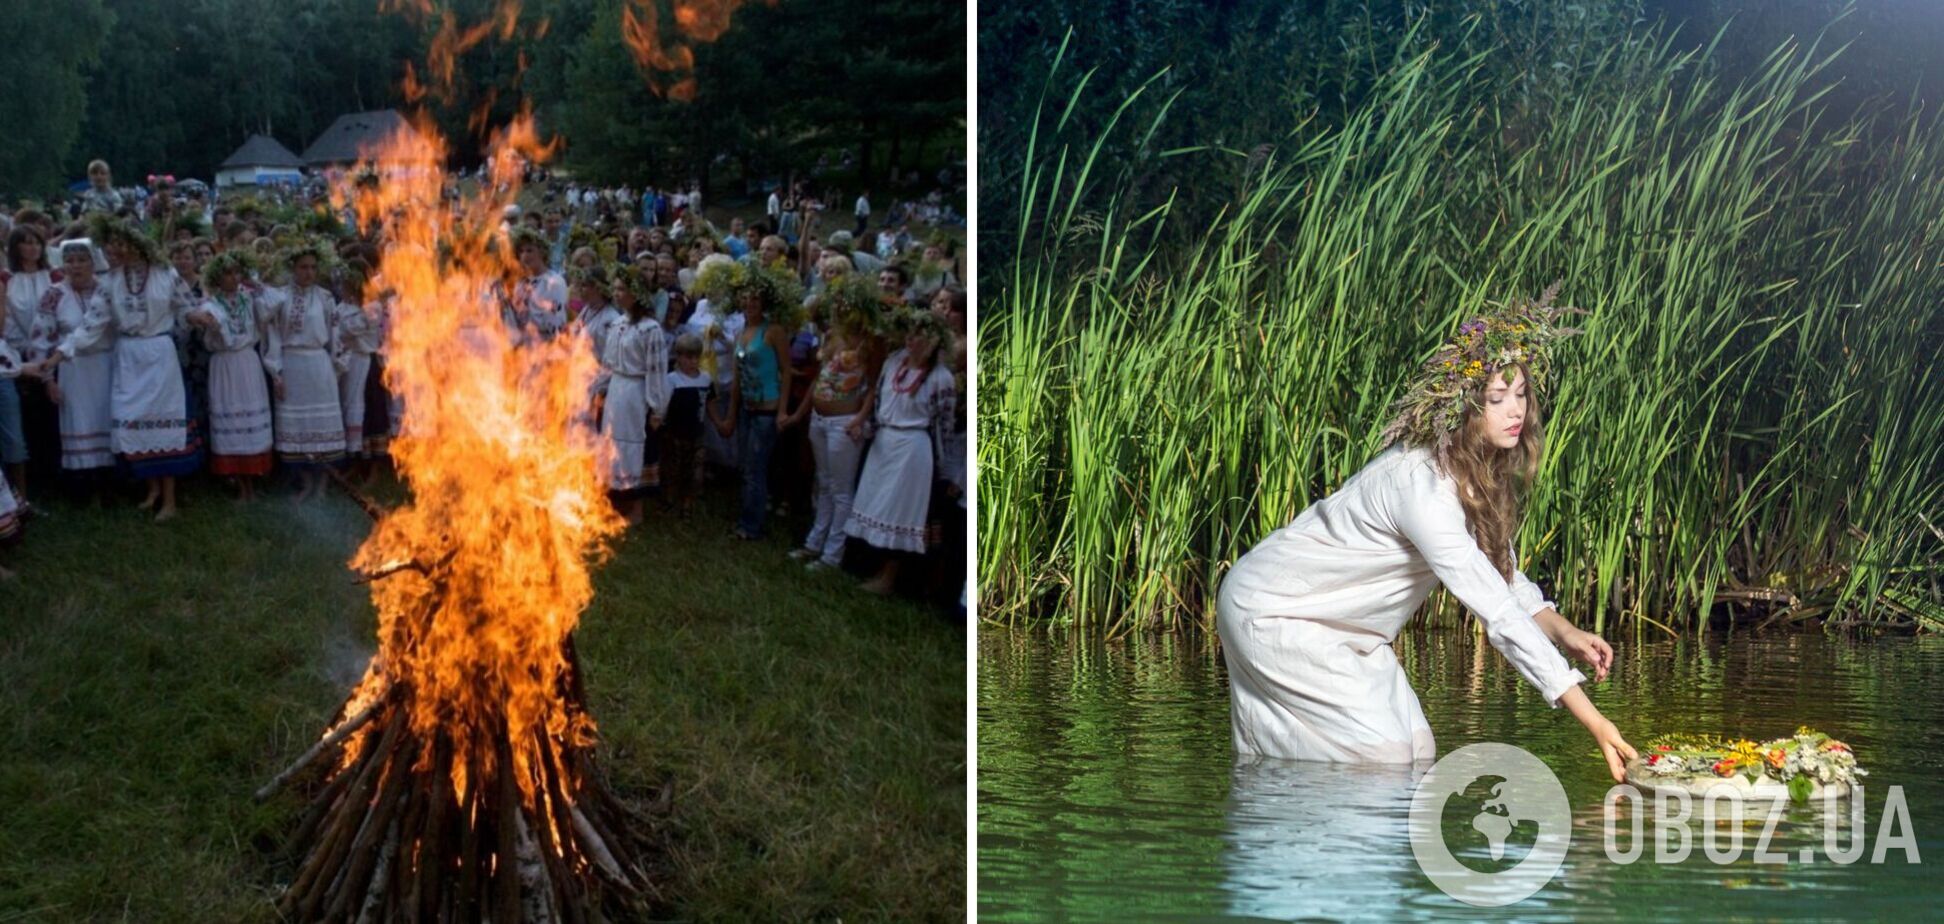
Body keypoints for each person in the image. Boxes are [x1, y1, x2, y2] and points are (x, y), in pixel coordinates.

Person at [1214, 289, 1636, 781]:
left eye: (1521, 395)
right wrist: (1595, 721)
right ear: (1463, 410)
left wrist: (1567, 634)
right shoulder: (1421, 486)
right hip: (1275, 609)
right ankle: (1273, 805)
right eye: (1496, 399)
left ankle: (1280, 802)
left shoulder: (1474, 472)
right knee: (1384, 760)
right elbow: (1494, 610)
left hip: (1350, 629)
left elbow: (1501, 576)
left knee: (1416, 751)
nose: (1515, 411)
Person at [87, 215, 202, 520]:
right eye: (112, 244)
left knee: (164, 423)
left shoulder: (165, 273)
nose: (115, 250)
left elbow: (186, 306)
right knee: (136, 420)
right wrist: (62, 353)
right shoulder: (111, 279)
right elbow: (92, 323)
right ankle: (151, 489)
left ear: (136, 243)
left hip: (158, 353)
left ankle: (170, 500)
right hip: (128, 355)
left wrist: (198, 317)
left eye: (120, 243)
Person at [845, 309, 955, 595]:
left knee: (900, 511)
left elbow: (944, 425)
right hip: (884, 441)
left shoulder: (941, 378)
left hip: (912, 449)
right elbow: (881, 399)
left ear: (932, 340)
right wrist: (866, 428)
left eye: (919, 334)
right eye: (909, 332)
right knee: (876, 502)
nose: (911, 339)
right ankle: (869, 564)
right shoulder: (894, 363)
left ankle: (890, 576)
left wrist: (944, 467)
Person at [788, 273, 885, 570]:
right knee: (825, 482)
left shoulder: (871, 341)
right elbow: (821, 376)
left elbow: (873, 385)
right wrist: (803, 413)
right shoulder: (833, 335)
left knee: (841, 489)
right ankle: (814, 542)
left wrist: (859, 417)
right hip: (820, 418)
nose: (840, 309)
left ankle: (833, 554)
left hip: (844, 421)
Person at [701, 260, 800, 540]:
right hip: (747, 409)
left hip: (767, 412)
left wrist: (782, 411)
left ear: (764, 301)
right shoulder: (742, 333)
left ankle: (751, 525)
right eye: (745, 298)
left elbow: (786, 372)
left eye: (755, 298)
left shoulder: (774, 331)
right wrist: (731, 414)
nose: (749, 303)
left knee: (756, 469)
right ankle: (748, 517)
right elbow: (737, 379)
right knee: (747, 467)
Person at [263, 243, 346, 503]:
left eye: (312, 267)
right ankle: (305, 482)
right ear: (292, 268)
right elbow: (272, 337)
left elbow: (336, 337)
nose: (309, 272)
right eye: (303, 267)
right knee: (296, 427)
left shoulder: (325, 298)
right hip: (291, 365)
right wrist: (276, 373)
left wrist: (336, 368)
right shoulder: (279, 297)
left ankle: (322, 483)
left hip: (318, 366)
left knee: (321, 426)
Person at [32, 240, 116, 495]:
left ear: (94, 262)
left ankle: (112, 481)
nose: (76, 266)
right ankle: (82, 484)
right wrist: (48, 380)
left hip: (107, 364)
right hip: (72, 368)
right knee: (77, 422)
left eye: (82, 260)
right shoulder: (53, 294)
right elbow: (40, 339)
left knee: (109, 418)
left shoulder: (107, 290)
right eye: (70, 261)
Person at [190, 251, 273, 498]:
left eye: (237, 272)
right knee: (231, 416)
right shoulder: (211, 304)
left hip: (247, 362)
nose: (233, 278)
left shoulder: (250, 298)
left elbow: (275, 300)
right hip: (225, 364)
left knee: (250, 416)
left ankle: (253, 478)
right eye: (228, 273)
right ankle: (237, 479)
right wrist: (212, 324)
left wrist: (255, 281)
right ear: (217, 277)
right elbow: (209, 320)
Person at [595, 266, 671, 525]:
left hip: (636, 393)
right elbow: (608, 362)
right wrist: (599, 389)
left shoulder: (650, 329)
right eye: (614, 288)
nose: (616, 294)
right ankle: (615, 501)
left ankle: (636, 508)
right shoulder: (617, 323)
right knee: (612, 443)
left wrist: (657, 407)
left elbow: (656, 370)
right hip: (617, 389)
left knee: (635, 446)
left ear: (636, 293)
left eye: (622, 289)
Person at [3, 223, 57, 506]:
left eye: (36, 242)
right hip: (19, 355)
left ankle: (53, 471)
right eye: (25, 242)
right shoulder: (8, 279)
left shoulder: (53, 276)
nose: (32, 247)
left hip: (53, 353)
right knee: (26, 417)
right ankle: (30, 477)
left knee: (53, 414)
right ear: (15, 248)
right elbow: (8, 318)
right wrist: (24, 352)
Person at [662, 333, 718, 520]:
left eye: (696, 357)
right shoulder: (672, 380)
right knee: (674, 469)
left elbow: (710, 403)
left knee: (695, 472)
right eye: (688, 357)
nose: (692, 362)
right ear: (679, 357)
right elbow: (663, 404)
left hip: (697, 433)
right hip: (675, 433)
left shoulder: (705, 379)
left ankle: (688, 504)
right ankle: (670, 500)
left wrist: (720, 423)